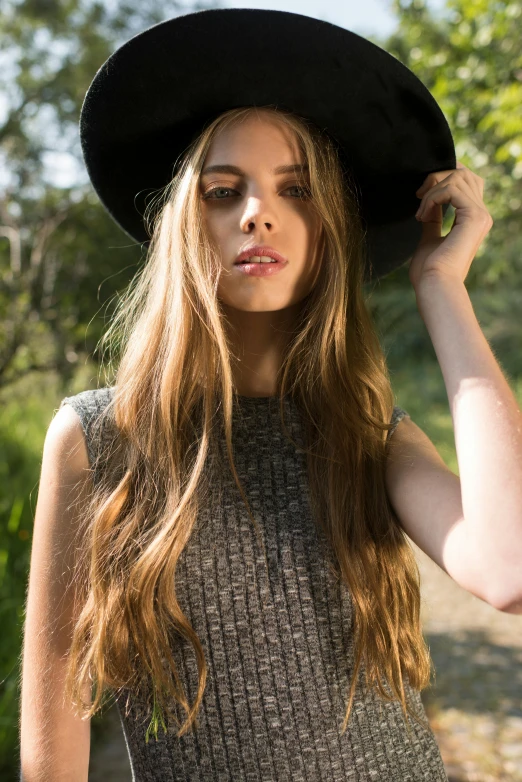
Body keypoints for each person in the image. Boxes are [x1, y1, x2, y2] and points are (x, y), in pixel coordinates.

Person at [21, 8, 514, 782]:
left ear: (329, 231)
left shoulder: (372, 437)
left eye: (297, 189)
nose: (257, 212)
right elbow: (51, 762)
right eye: (224, 191)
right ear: (187, 223)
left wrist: (440, 286)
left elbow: (509, 570)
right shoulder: (96, 439)